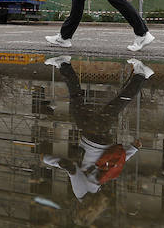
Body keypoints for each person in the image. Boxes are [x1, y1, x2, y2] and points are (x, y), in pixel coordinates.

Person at [42, 56, 153, 218]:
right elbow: (70, 168)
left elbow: (111, 162)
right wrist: (46, 160)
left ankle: (64, 64)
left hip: (99, 139)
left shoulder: (95, 189)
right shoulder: (81, 193)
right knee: (112, 106)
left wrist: (133, 149)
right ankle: (142, 75)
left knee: (79, 102)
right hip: (92, 137)